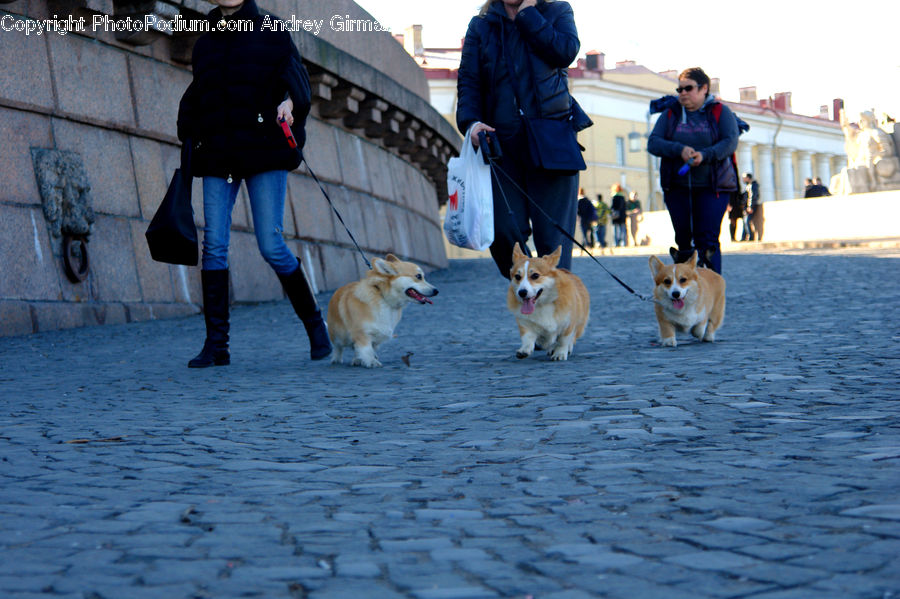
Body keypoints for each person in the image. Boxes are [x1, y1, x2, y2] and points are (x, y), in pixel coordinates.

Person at [176, 0, 330, 368]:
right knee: (213, 245)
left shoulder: (272, 29)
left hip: (264, 150)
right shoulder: (205, 39)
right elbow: (200, 94)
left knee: (271, 245)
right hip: (217, 153)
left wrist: (290, 103)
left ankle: (315, 325)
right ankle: (217, 345)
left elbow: (297, 82)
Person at [457, 0, 586, 277]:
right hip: (500, 145)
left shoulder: (557, 11)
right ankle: (526, 287)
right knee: (504, 232)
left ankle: (554, 312)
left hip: (552, 141)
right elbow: (469, 80)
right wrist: (471, 123)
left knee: (554, 244)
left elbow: (565, 52)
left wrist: (528, 14)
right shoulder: (481, 25)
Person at [647, 67, 739, 274]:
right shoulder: (670, 114)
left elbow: (730, 142)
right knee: (683, 239)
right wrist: (679, 150)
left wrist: (705, 155)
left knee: (707, 238)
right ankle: (689, 290)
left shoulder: (719, 112)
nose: (683, 93)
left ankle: (712, 288)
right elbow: (653, 143)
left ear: (704, 88)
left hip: (713, 186)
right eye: (679, 90)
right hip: (677, 187)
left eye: (688, 88)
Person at [743, 172, 764, 241]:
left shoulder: (753, 185)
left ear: (748, 178)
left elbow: (752, 197)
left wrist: (750, 206)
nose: (743, 179)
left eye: (744, 178)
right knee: (746, 222)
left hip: (751, 206)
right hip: (748, 206)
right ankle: (746, 237)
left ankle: (751, 237)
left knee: (747, 221)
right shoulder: (749, 185)